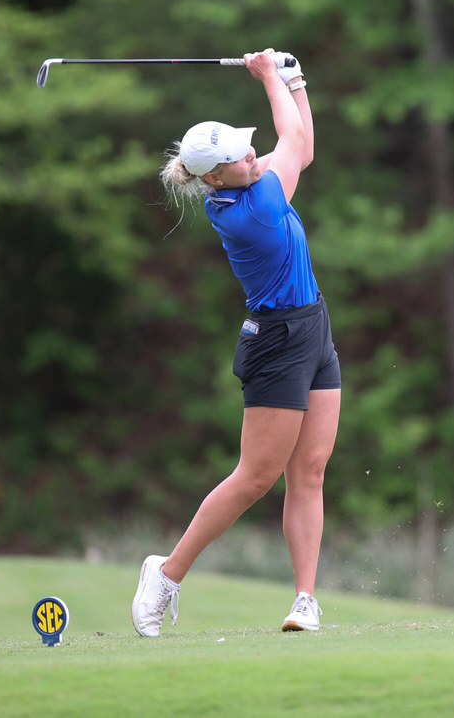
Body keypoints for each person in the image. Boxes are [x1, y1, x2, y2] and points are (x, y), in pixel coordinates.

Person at [133, 48, 340, 635]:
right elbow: (294, 141)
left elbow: (302, 144)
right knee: (255, 477)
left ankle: (305, 600)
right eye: (237, 156)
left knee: (312, 469)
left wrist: (296, 81)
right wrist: (271, 75)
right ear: (215, 178)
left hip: (312, 326)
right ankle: (166, 574)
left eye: (246, 146)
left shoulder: (250, 178)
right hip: (277, 341)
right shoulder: (254, 208)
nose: (251, 154)